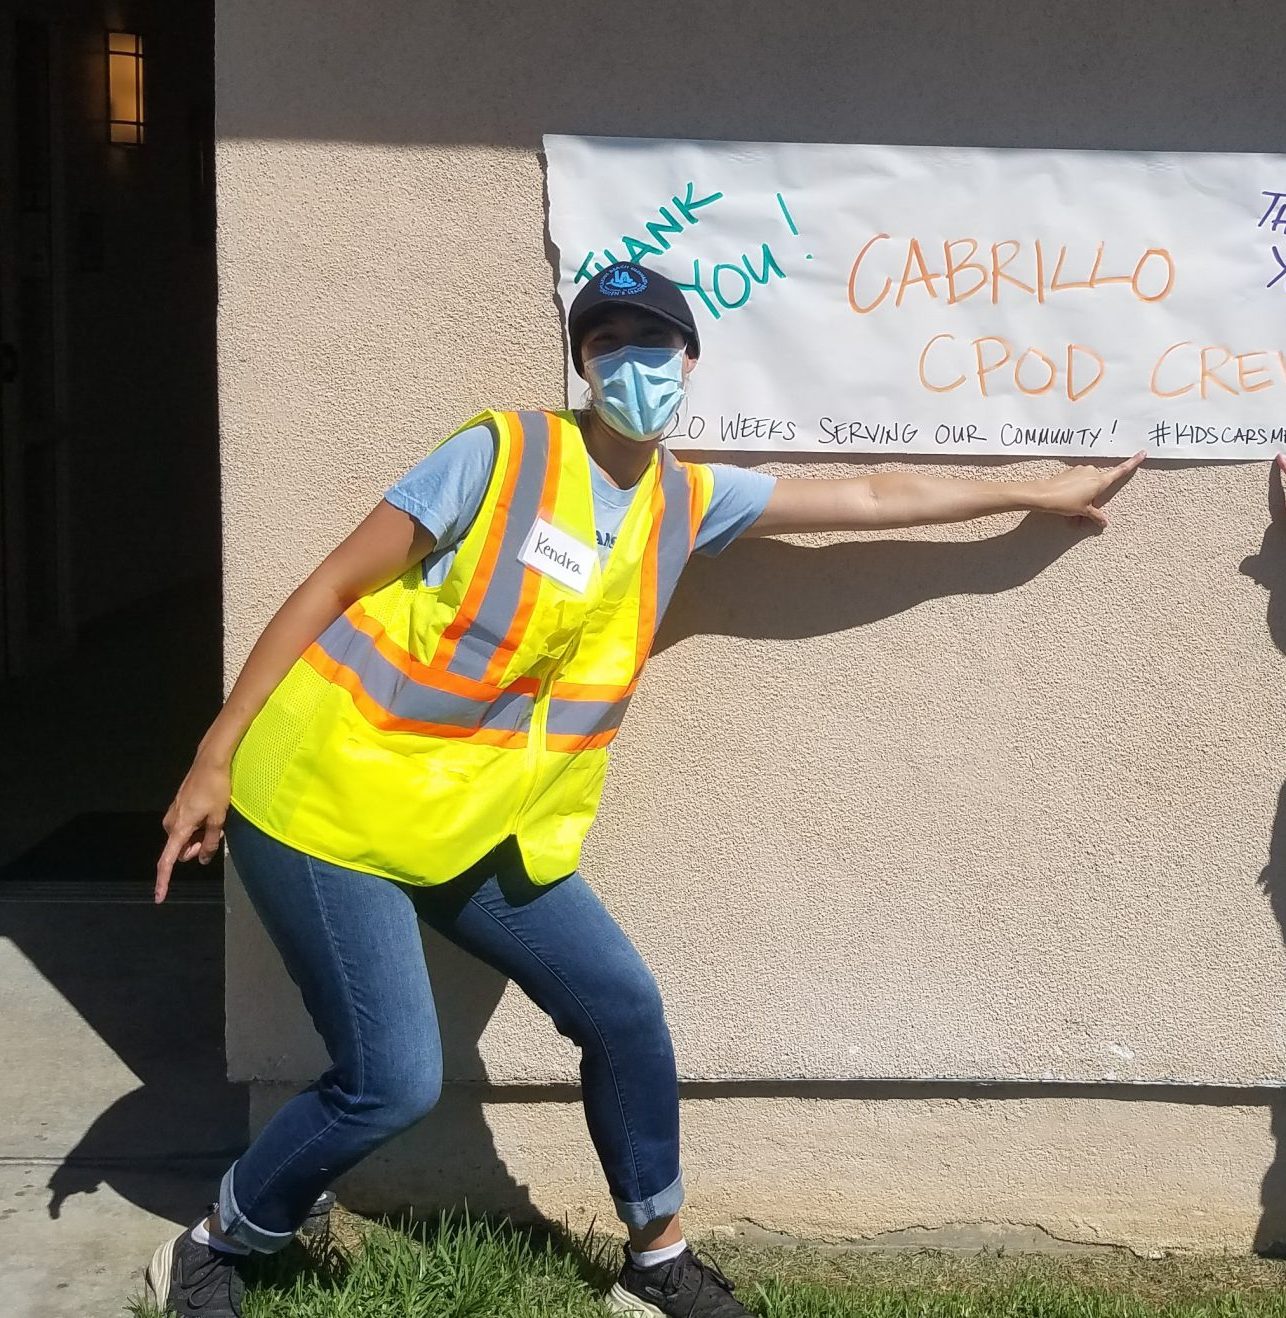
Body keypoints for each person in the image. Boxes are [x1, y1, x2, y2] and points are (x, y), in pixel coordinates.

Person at [145, 262, 1143, 1318]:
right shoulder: (500, 454)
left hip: (475, 820)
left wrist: (1036, 490)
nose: (631, 361)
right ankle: (216, 1242)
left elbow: (868, 494)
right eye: (606, 340)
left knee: (621, 1008)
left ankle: (654, 1262)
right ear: (581, 363)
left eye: (651, 341)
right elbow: (331, 584)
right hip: (324, 804)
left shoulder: (684, 499)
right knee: (393, 1080)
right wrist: (214, 755)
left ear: (688, 362)